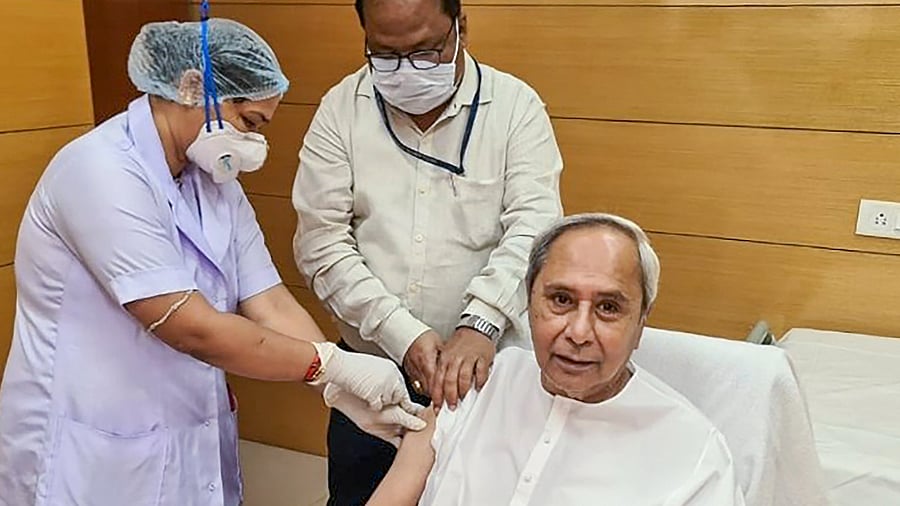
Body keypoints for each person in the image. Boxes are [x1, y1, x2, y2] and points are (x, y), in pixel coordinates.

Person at [0, 16, 422, 506]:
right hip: (93, 444)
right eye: (248, 123)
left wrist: (338, 382)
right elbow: (189, 327)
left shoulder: (215, 184)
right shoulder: (99, 171)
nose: (254, 145)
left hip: (182, 434)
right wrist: (326, 364)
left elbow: (267, 300)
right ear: (191, 86)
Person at [292, 0, 564, 501]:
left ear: (460, 26)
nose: (404, 72)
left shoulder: (514, 108)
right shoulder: (341, 109)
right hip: (373, 370)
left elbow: (534, 231)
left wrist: (479, 323)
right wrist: (404, 336)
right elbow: (321, 244)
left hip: (486, 369)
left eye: (424, 52)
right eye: (385, 55)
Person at [368, 213, 747, 505]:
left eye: (608, 307)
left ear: (641, 322)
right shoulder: (477, 383)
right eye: (561, 300)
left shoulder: (695, 456)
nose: (579, 333)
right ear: (529, 301)